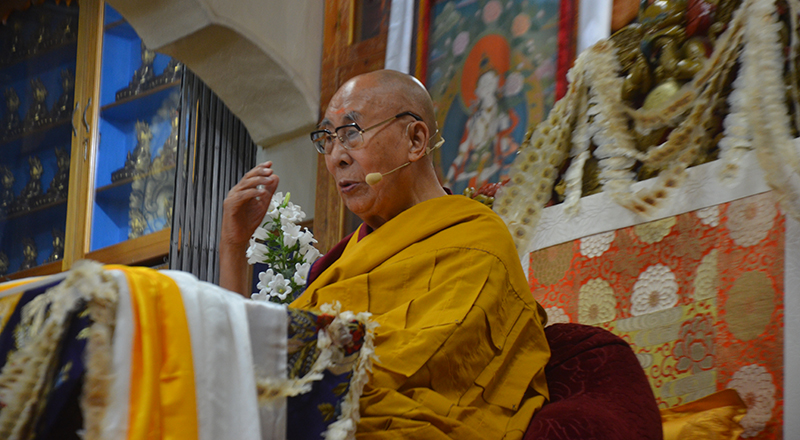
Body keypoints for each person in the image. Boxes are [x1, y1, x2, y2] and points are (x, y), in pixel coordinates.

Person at [219, 69, 550, 439]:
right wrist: (234, 246)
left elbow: (416, 371)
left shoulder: (475, 241)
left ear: (415, 139)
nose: (336, 158)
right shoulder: (346, 260)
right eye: (327, 138)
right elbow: (253, 369)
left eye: (351, 133)